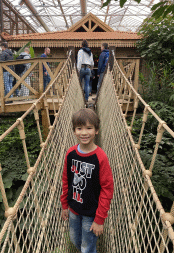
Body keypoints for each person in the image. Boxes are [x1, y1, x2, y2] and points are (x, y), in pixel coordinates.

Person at [61, 108, 114, 253]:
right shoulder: (70, 153)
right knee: (75, 240)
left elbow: (107, 188)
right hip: (73, 208)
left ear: (96, 130)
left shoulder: (100, 157)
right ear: (74, 131)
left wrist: (99, 219)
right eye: (79, 128)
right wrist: (64, 204)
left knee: (87, 247)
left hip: (92, 212)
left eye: (89, 128)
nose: (84, 133)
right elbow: (66, 179)